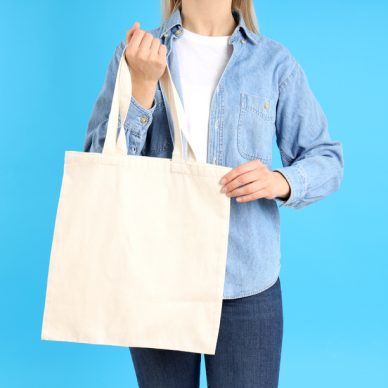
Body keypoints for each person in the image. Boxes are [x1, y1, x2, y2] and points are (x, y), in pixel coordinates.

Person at [83, 0, 344, 387]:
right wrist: (141, 87)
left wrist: (281, 181)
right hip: (158, 281)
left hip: (247, 284)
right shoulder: (138, 52)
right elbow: (99, 161)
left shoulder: (273, 62)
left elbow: (326, 158)